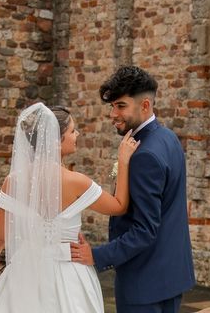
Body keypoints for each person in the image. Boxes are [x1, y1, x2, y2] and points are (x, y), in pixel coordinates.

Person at [0, 103, 139, 313]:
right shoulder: (77, 182)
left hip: (24, 275)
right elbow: (119, 206)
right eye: (72, 131)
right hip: (70, 275)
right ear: (55, 140)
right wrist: (123, 161)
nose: (77, 134)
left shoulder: (13, 181)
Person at [71, 66, 195, 313]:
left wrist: (96, 256)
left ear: (145, 105)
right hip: (171, 277)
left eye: (121, 106)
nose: (112, 114)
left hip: (144, 284)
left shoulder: (144, 154)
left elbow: (145, 229)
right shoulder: (168, 138)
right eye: (112, 106)